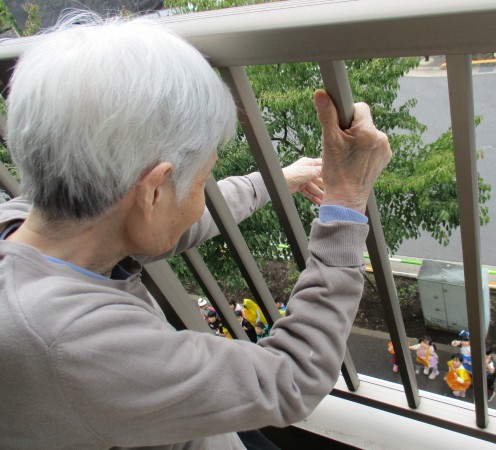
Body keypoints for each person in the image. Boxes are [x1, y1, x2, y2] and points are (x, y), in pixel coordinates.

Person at [0, 12, 392, 449]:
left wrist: (279, 179)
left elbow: (158, 223)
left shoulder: (31, 221)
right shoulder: (69, 343)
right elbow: (291, 379)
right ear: (153, 193)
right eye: (203, 181)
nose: (202, 198)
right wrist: (347, 204)